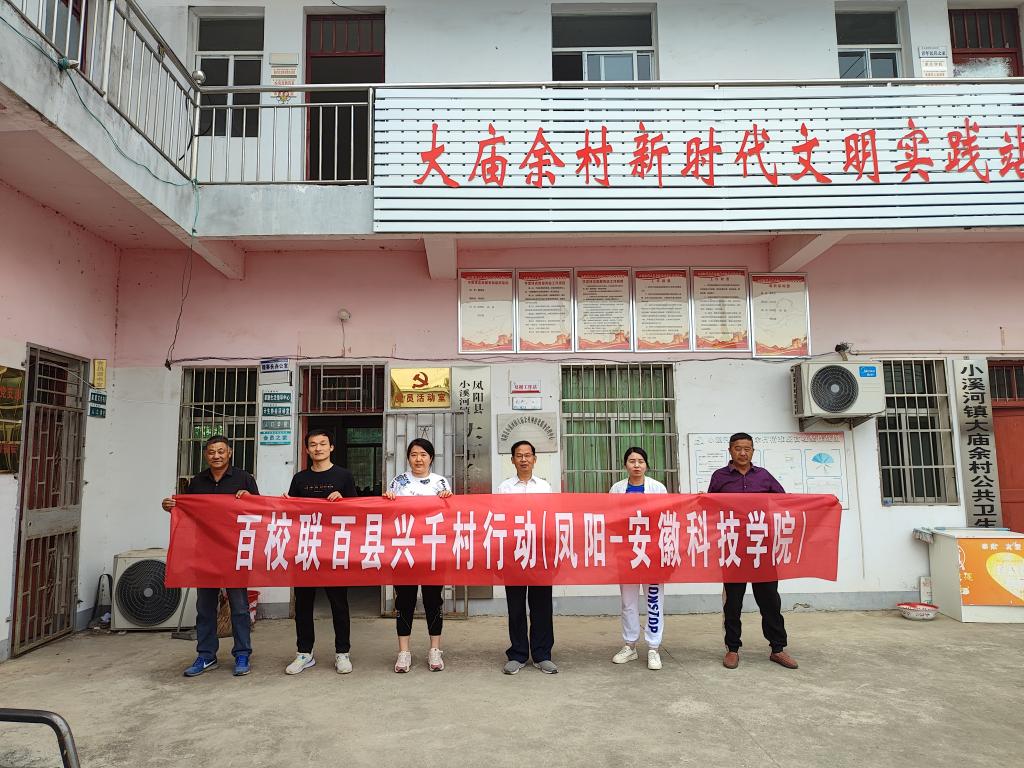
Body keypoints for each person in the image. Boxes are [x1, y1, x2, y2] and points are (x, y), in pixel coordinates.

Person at [162, 436, 259, 677]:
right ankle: (206, 655)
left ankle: (242, 654)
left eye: (221, 451)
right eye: (211, 452)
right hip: (205, 553)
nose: (216, 455)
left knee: (239, 607)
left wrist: (249, 498)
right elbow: (189, 513)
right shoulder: (198, 482)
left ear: (230, 453)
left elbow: (258, 510)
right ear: (206, 455)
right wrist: (172, 507)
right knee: (205, 607)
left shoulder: (244, 479)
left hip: (234, 551)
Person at [708, 432, 798, 670]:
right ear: (730, 450)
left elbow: (784, 502)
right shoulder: (719, 477)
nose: (743, 453)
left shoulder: (764, 476)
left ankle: (777, 648)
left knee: (770, 600)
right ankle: (732, 649)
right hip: (733, 546)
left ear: (753, 451)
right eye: (738, 448)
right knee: (733, 602)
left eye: (747, 449)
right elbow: (710, 507)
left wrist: (822, 501)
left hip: (762, 547)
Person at [284, 430, 358, 676]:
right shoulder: (300, 479)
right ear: (306, 450)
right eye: (313, 445)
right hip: (305, 548)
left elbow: (358, 511)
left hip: (334, 548)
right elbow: (292, 514)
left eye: (323, 444)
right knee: (303, 603)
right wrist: (285, 503)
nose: (318, 448)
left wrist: (344, 500)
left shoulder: (344, 476)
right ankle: (304, 653)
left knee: (339, 603)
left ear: (331, 447)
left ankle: (342, 653)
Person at [384, 437, 453, 673]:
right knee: (405, 601)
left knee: (433, 600)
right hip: (405, 550)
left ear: (431, 458)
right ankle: (404, 652)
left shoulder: (440, 482)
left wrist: (448, 501)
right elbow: (388, 515)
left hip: (433, 550)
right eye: (414, 455)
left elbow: (449, 516)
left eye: (423, 454)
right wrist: (387, 500)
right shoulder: (398, 482)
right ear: (408, 458)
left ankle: (435, 650)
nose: (418, 459)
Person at [496, 440, 558, 675]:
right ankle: (518, 653)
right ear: (512, 460)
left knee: (542, 605)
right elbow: (499, 519)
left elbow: (550, 519)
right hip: (514, 552)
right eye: (519, 455)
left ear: (534, 459)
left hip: (540, 552)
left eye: (528, 455)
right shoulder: (504, 488)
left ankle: (542, 654)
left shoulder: (544, 487)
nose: (523, 459)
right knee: (516, 606)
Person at [609, 446, 668, 671]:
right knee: (628, 602)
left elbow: (666, 517)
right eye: (632, 461)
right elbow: (611, 518)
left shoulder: (658, 488)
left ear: (646, 465)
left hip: (651, 553)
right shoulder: (617, 489)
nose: (636, 465)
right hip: (626, 553)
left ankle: (653, 647)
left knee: (654, 600)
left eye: (640, 461)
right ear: (625, 465)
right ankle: (630, 645)